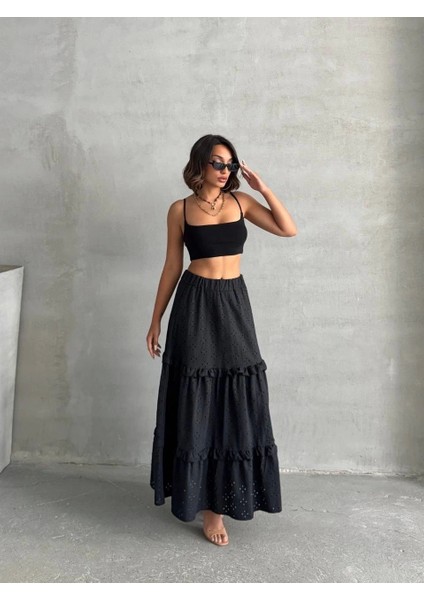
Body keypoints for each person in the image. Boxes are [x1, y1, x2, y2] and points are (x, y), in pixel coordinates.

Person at [147, 134, 297, 547]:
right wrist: (155, 319)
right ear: (200, 163)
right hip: (194, 304)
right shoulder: (179, 210)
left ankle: (225, 494)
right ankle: (209, 509)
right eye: (217, 162)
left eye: (230, 164)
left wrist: (262, 188)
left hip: (233, 302)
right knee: (199, 398)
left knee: (238, 394)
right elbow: (171, 266)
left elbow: (288, 229)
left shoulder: (241, 203)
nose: (224, 170)